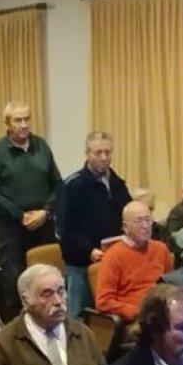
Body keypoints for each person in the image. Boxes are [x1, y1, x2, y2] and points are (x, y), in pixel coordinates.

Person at [0, 101, 61, 321]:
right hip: (12, 229)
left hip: (44, 224)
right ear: (7, 123)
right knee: (13, 285)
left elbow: (58, 185)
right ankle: (15, 330)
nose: (24, 124)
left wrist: (45, 211)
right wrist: (21, 215)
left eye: (27, 119)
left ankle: (46, 324)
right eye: (18, 120)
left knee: (46, 282)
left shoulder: (41, 146)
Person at [58, 131, 133, 316]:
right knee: (77, 318)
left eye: (108, 152)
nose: (104, 158)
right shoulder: (72, 185)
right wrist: (89, 251)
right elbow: (65, 230)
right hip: (81, 263)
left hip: (113, 259)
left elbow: (128, 216)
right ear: (87, 153)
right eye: (98, 152)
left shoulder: (117, 184)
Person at [96, 200, 174, 323]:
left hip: (163, 312)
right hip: (135, 319)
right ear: (125, 227)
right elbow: (103, 301)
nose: (145, 226)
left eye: (148, 220)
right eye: (139, 221)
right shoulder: (113, 256)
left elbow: (171, 286)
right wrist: (136, 312)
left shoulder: (161, 249)